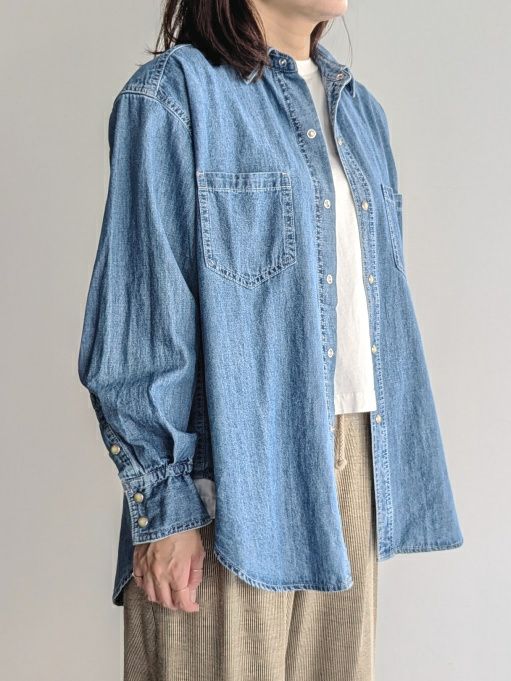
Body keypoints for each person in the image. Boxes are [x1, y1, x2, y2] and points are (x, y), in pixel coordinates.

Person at [77, 1, 464, 679]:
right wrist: (165, 504)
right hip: (230, 470)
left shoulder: (359, 112)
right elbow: (139, 314)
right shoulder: (174, 96)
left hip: (355, 460)